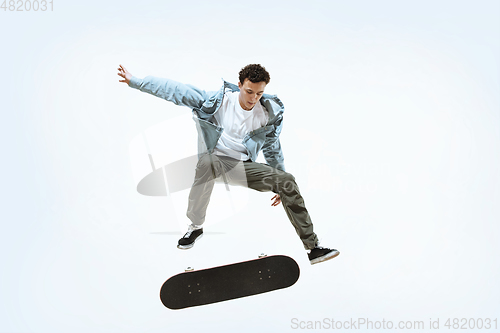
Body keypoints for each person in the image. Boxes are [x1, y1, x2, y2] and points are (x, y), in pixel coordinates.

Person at [117, 63, 340, 265]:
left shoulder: (266, 115)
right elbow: (176, 91)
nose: (253, 99)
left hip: (243, 169)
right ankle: (195, 227)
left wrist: (278, 180)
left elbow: (273, 148)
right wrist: (136, 82)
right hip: (215, 162)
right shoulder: (218, 101)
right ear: (240, 84)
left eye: (259, 94)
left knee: (288, 181)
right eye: (249, 91)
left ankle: (313, 248)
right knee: (207, 161)